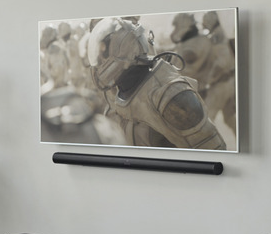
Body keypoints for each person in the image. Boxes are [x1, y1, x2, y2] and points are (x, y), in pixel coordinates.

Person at [87, 17, 226, 149]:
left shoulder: (171, 95)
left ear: (123, 47)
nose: (100, 62)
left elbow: (212, 152)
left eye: (104, 53)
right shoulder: (121, 91)